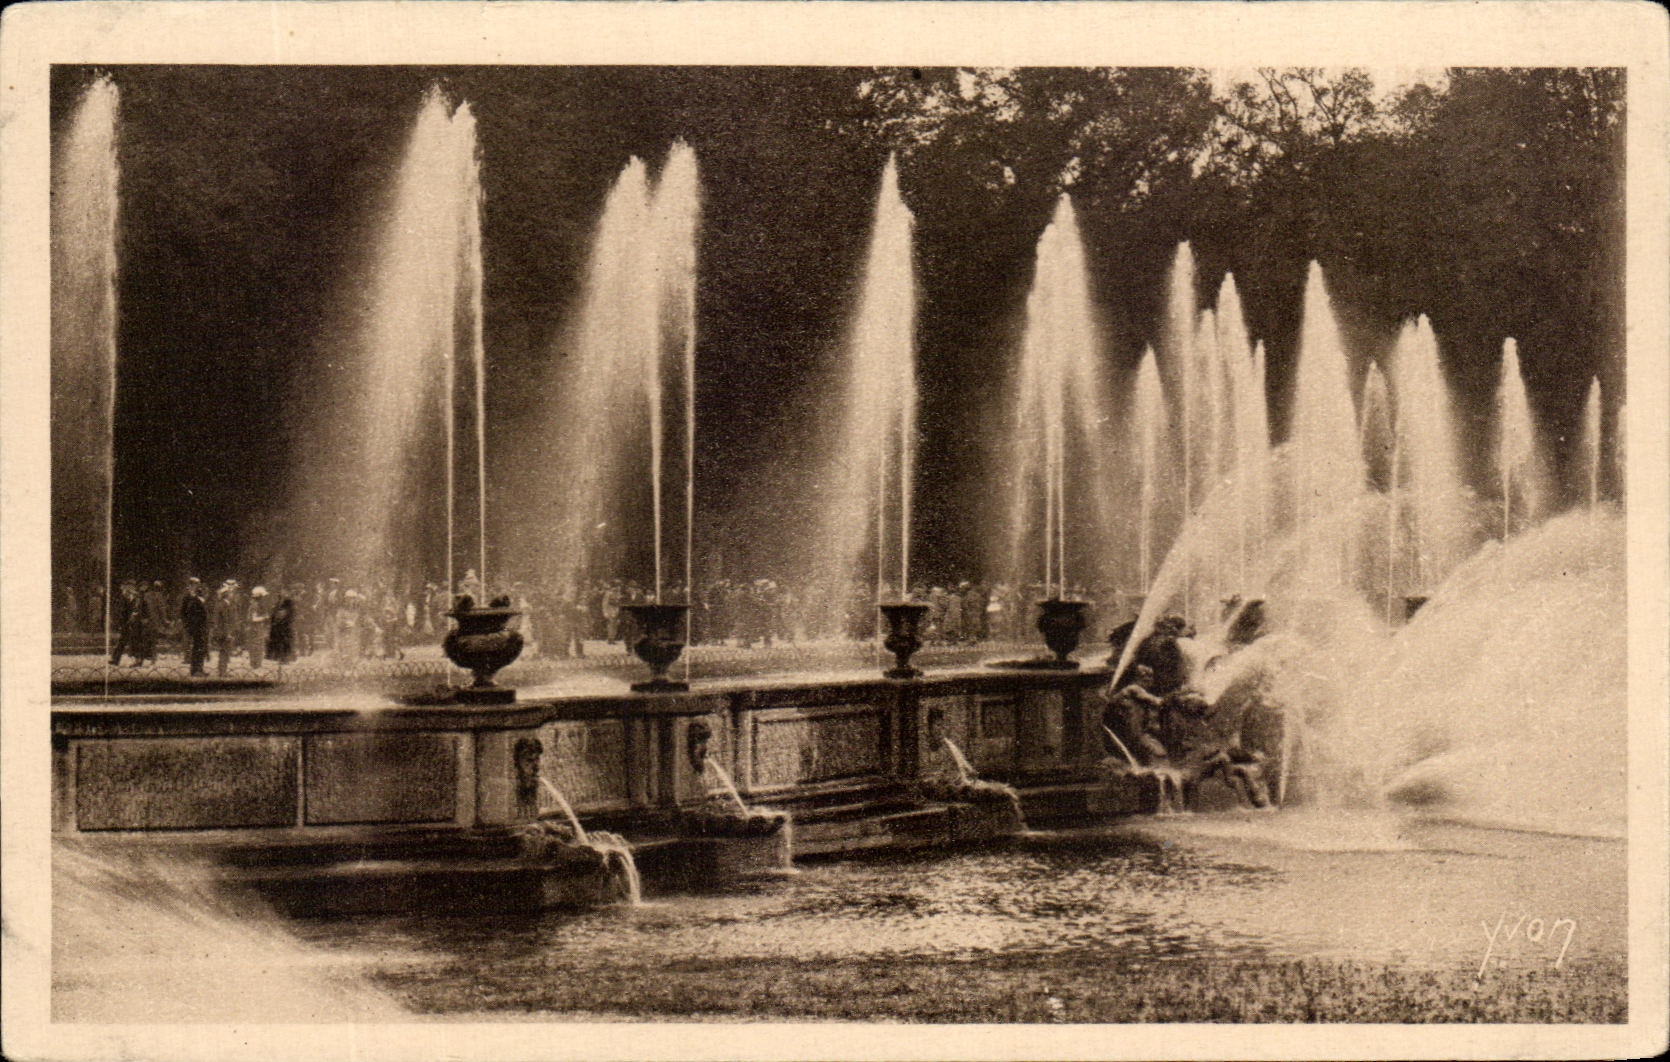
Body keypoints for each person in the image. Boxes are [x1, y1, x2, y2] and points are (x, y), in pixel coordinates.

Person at [1105, 663, 1167, 764]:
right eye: (1148, 677)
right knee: (1154, 750)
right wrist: (1169, 700)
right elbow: (1154, 700)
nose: (1151, 680)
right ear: (1140, 677)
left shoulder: (1133, 691)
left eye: (1151, 676)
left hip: (1134, 729)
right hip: (1134, 732)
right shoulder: (1134, 688)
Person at [179, 577, 209, 676]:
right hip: (193, 626)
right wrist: (187, 624)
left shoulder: (199, 594)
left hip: (201, 625)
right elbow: (183, 612)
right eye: (194, 584)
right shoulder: (187, 596)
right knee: (197, 647)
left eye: (197, 584)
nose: (196, 586)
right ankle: (195, 670)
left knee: (201, 647)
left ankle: (199, 669)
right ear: (190, 585)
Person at [246, 586, 272, 669]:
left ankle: (256, 663)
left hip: (256, 628)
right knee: (256, 646)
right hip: (255, 628)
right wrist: (264, 617)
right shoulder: (255, 606)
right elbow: (253, 619)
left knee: (257, 646)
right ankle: (255, 663)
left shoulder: (255, 605)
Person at [267, 593, 296, 665]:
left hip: (282, 628)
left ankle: (283, 658)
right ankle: (284, 658)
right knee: (285, 644)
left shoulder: (284, 610)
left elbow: (277, 617)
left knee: (283, 643)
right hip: (285, 629)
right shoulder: (288, 609)